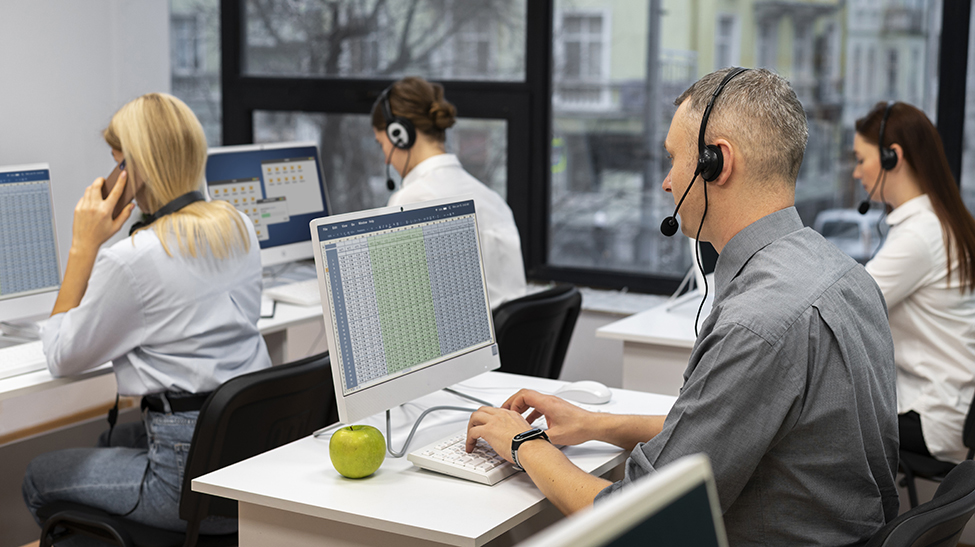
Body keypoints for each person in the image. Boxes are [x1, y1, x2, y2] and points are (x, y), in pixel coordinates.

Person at [466, 68, 899, 545]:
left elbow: (643, 524)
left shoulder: (758, 325)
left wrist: (524, 443)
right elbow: (741, 429)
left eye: (675, 159)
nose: (668, 182)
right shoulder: (844, 274)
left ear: (717, 163)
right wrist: (597, 424)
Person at [22, 93, 271, 537]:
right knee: (109, 443)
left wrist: (83, 246)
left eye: (118, 162)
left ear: (136, 168)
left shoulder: (135, 259)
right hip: (244, 452)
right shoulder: (238, 225)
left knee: (39, 476)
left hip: (181, 476)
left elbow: (61, 354)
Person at [854, 101, 975, 463]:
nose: (856, 172)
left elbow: (846, 305)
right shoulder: (935, 220)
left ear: (893, 157)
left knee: (815, 423)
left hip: (933, 414)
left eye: (862, 160)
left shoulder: (920, 235)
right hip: (952, 404)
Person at [371, 76, 527, 308]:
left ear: (399, 136)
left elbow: (392, 304)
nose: (386, 158)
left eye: (382, 144)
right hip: (507, 342)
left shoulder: (410, 200)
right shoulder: (492, 200)